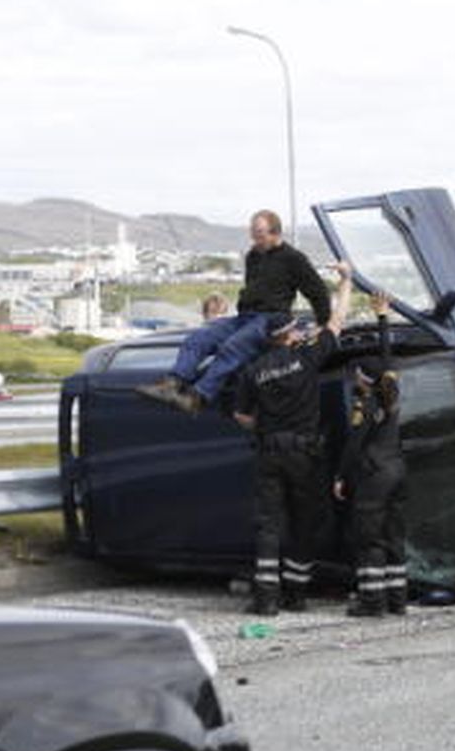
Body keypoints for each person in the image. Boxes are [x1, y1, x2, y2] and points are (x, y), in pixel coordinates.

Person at [232, 265, 352, 616]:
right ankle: (296, 594)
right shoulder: (307, 357)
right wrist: (345, 281)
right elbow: (337, 320)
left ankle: (266, 598)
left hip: (270, 450)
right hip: (304, 452)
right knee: (304, 522)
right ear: (290, 335)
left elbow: (241, 416)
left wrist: (265, 427)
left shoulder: (252, 371)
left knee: (269, 524)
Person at [139, 209, 335, 414]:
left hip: (272, 318)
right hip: (245, 317)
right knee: (199, 338)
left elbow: (318, 291)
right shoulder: (253, 256)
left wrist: (322, 324)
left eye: (259, 234)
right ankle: (172, 384)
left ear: (275, 233)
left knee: (234, 346)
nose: (254, 239)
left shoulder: (294, 259)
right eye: (253, 233)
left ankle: (198, 398)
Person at [333, 293, 408, 617]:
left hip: (374, 475)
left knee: (369, 538)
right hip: (397, 471)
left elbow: (354, 446)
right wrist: (382, 318)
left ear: (363, 381)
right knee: (393, 535)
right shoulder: (390, 393)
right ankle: (397, 600)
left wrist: (339, 477)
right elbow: (387, 358)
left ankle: (372, 601)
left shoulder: (366, 405)